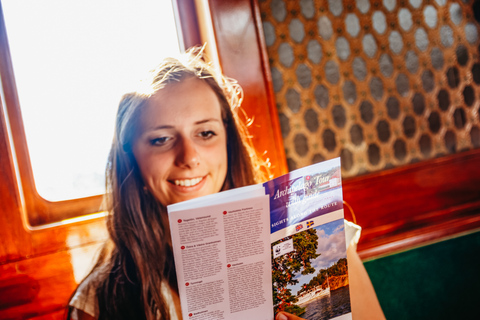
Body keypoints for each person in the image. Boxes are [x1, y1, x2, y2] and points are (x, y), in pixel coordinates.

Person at [67, 48, 384, 320]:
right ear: (131, 157)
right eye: (161, 139)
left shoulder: (317, 242)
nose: (189, 157)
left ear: (228, 142)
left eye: (205, 133)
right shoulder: (98, 299)